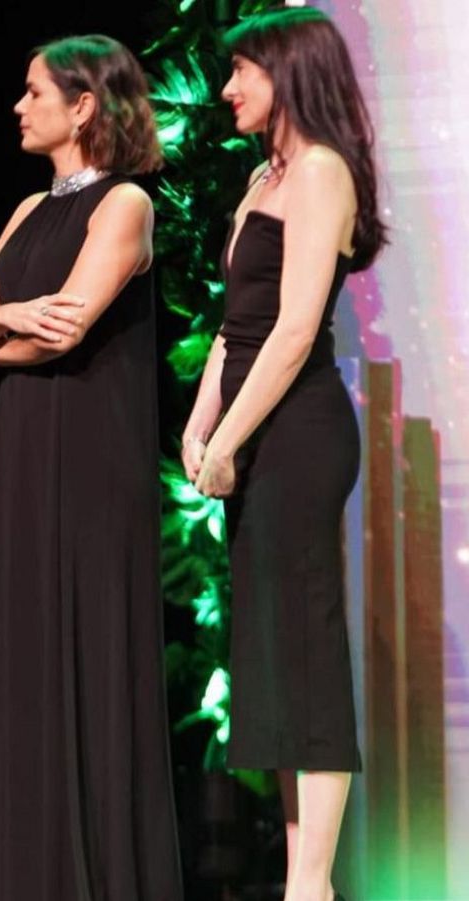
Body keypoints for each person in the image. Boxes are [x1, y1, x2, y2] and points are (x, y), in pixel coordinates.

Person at [0, 35, 183, 901]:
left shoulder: (124, 205)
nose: (19, 104)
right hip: (24, 451)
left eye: (34, 90)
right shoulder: (23, 211)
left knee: (90, 641)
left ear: (83, 105)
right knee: (29, 648)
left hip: (91, 452)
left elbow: (66, 329)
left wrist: (0, 334)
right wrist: (7, 319)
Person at [186, 8, 386, 900]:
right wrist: (201, 425)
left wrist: (228, 437)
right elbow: (235, 332)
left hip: (300, 432)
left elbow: (297, 326)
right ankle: (307, 879)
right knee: (268, 650)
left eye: (241, 71)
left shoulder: (320, 172)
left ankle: (311, 884)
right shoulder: (261, 179)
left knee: (304, 639)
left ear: (287, 71)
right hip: (250, 429)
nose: (228, 88)